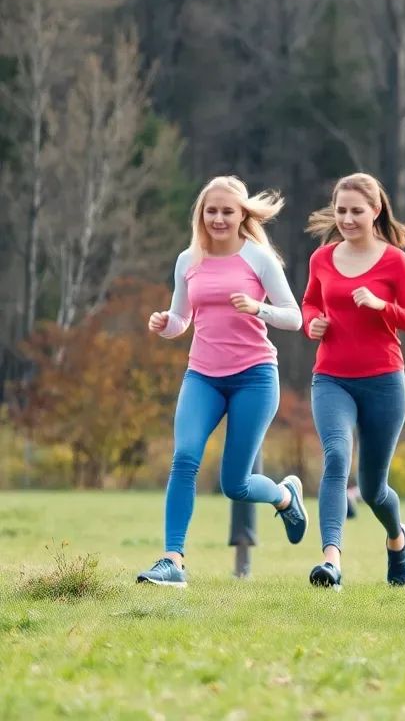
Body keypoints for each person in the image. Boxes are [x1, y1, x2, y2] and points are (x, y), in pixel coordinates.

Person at [137, 176, 307, 587]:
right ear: (200, 214)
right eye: (210, 210)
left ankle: (285, 496)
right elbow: (182, 319)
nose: (218, 218)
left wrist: (257, 308)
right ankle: (172, 560)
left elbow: (294, 316)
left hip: (254, 377)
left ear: (241, 215)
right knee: (185, 458)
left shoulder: (259, 259)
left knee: (236, 483)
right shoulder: (187, 260)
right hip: (202, 377)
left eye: (227, 211)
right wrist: (165, 324)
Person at [301, 173, 405, 589]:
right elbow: (309, 304)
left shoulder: (394, 261)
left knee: (374, 489)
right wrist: (311, 324)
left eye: (357, 211)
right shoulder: (322, 258)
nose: (348, 219)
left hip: (384, 383)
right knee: (336, 457)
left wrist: (381, 305)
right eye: (341, 211)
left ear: (375, 211)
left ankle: (397, 537)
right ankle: (331, 562)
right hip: (331, 378)